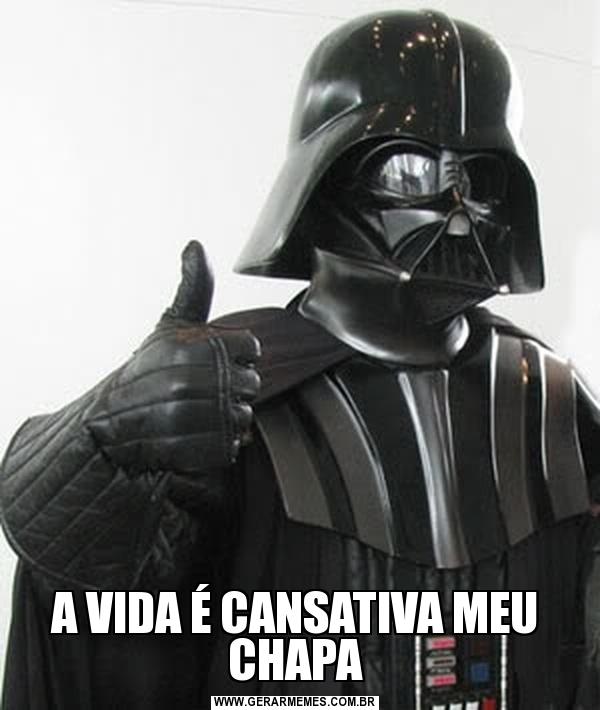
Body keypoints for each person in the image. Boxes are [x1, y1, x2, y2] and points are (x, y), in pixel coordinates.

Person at [1, 9, 599, 710]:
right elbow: (77, 573)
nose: (458, 209)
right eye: (410, 170)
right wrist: (108, 435)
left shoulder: (551, 399)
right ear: (325, 176)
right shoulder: (236, 382)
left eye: (481, 177)